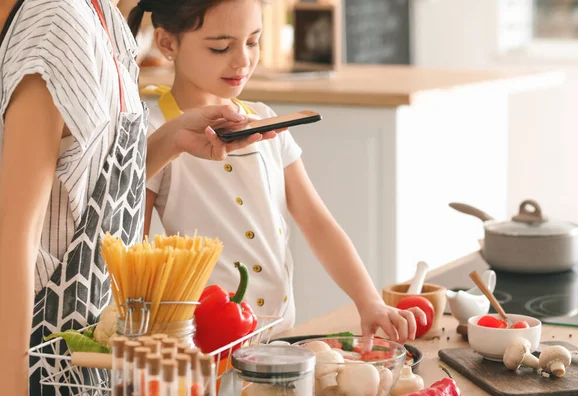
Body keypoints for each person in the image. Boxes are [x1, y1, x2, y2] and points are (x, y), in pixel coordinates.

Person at [0, 0, 280, 394]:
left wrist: (174, 139)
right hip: (38, 359)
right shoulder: (57, 22)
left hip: (85, 358)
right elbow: (14, 234)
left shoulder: (107, 20)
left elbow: (88, 192)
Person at [132, 0, 426, 343]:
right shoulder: (155, 135)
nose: (243, 60)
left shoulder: (266, 119)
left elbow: (316, 221)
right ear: (167, 43)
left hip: (279, 332)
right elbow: (136, 257)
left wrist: (369, 302)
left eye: (253, 41)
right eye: (221, 47)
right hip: (205, 341)